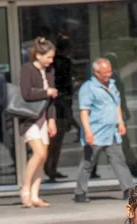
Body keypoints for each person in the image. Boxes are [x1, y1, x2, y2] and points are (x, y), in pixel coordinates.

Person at [74, 58, 134, 203]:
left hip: (111, 132)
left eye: (110, 71)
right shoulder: (88, 88)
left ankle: (129, 189)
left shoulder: (112, 85)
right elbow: (84, 112)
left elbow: (116, 105)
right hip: (96, 132)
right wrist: (88, 132)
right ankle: (80, 192)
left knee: (119, 160)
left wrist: (120, 122)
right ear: (96, 72)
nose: (108, 74)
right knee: (88, 163)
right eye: (105, 72)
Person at [19, 37, 58, 207]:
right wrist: (46, 91)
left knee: (43, 157)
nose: (51, 61)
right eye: (48, 57)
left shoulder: (49, 71)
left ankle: (35, 195)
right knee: (39, 153)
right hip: (30, 118)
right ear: (39, 55)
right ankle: (25, 189)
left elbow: (51, 100)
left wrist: (51, 119)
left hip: (44, 117)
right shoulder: (27, 69)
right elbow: (26, 94)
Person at [45, 34, 75, 181]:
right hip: (61, 104)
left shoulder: (51, 63)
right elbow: (67, 85)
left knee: (52, 140)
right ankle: (51, 167)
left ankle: (50, 167)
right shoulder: (65, 63)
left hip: (53, 103)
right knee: (57, 139)